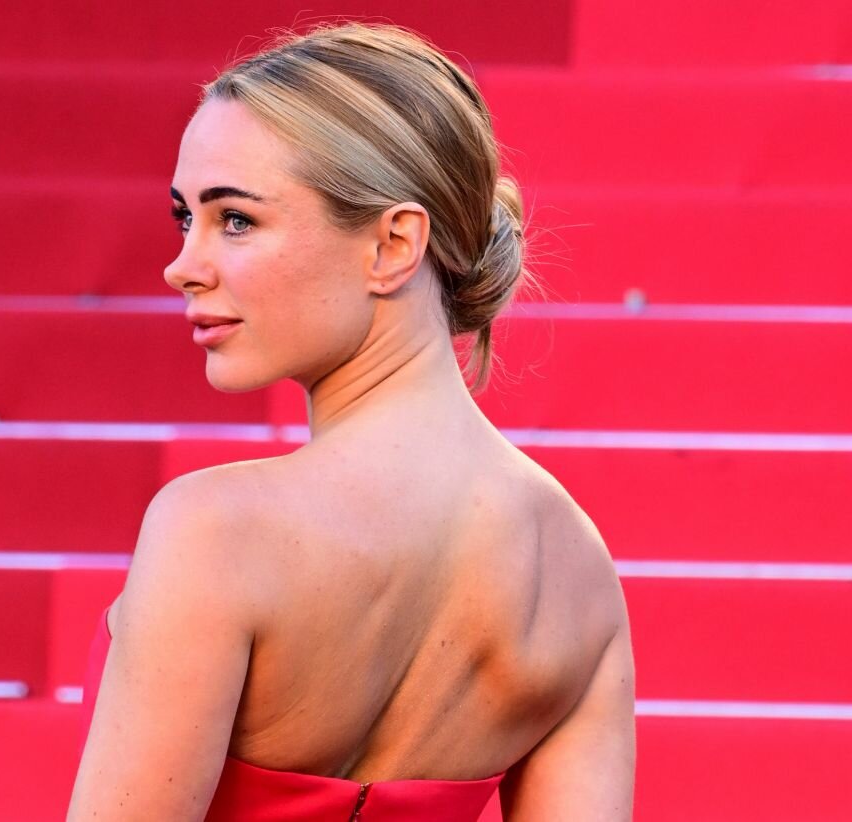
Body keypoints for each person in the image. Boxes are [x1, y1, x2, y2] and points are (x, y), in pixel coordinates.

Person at [68, 21, 634, 821]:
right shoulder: (578, 573)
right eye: (183, 218)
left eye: (235, 220)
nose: (182, 266)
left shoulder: (217, 530)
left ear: (393, 245)